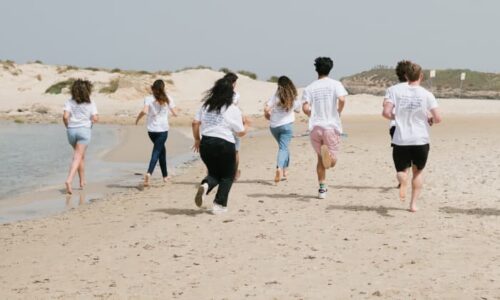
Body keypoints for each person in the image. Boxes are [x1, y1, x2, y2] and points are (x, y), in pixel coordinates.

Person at [382, 63, 442, 212]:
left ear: (406, 76)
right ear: (421, 76)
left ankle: (402, 180)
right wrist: (429, 119)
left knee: (402, 171)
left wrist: (398, 115)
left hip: (401, 139)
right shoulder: (427, 94)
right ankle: (413, 205)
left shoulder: (394, 91)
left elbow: (385, 113)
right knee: (418, 171)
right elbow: (438, 118)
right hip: (420, 139)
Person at [192, 78, 249, 214]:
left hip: (206, 143)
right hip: (224, 143)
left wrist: (197, 139)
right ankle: (219, 205)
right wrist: (248, 125)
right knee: (228, 175)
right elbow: (240, 133)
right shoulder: (232, 108)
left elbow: (195, 123)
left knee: (214, 173)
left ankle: (206, 185)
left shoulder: (205, 106)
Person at [302, 57, 348, 199]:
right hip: (330, 126)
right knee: (331, 162)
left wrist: (312, 113)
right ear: (330, 69)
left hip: (315, 127)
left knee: (320, 159)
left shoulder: (310, 87)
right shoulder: (335, 84)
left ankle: (322, 189)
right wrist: (338, 111)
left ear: (316, 69)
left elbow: (305, 107)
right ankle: (329, 156)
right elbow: (342, 99)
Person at [135, 79, 178, 187]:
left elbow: (144, 111)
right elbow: (176, 113)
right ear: (163, 88)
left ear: (153, 88)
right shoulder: (168, 98)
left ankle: (165, 176)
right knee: (157, 151)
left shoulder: (148, 98)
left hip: (151, 131)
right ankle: (149, 173)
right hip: (162, 130)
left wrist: (137, 119)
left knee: (161, 151)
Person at [63, 79, 98, 194]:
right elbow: (95, 118)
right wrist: (92, 121)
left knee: (80, 156)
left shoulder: (70, 101)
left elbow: (65, 116)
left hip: (71, 131)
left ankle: (82, 181)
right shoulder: (91, 102)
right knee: (78, 156)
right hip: (84, 131)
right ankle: (69, 180)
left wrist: (68, 127)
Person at [264, 76, 301, 184]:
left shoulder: (276, 96)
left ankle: (285, 171)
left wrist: (268, 115)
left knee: (283, 147)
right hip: (287, 126)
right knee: (283, 148)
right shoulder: (293, 98)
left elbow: (266, 108)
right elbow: (298, 110)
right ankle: (279, 168)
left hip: (274, 126)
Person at [384, 60, 412, 188]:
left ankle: (402, 177)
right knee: (410, 151)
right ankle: (404, 177)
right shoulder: (417, 89)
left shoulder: (392, 89)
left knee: (400, 152)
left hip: (395, 125)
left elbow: (385, 107)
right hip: (413, 126)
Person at [223, 72, 243, 180]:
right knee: (235, 151)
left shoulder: (218, 94)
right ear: (234, 83)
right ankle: (234, 173)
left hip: (222, 125)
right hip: (233, 125)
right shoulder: (236, 95)